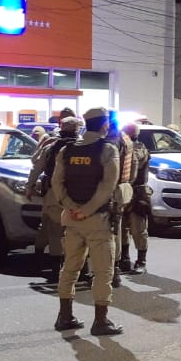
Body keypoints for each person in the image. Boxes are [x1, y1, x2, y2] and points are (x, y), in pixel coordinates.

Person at [50, 107, 123, 336]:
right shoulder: (108, 150)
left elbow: (57, 183)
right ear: (104, 125)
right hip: (97, 220)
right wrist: (87, 210)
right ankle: (101, 321)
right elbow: (107, 186)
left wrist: (71, 207)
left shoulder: (67, 150)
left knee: (70, 268)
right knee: (102, 271)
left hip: (71, 219)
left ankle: (65, 316)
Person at [28, 114, 81, 281]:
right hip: (77, 195)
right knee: (73, 231)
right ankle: (76, 268)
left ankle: (52, 268)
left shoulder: (52, 146)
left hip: (53, 195)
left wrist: (30, 187)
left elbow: (36, 165)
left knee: (52, 229)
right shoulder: (84, 147)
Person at [118, 122, 151, 275]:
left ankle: (141, 261)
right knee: (122, 227)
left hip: (137, 192)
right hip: (124, 191)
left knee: (138, 229)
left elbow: (135, 163)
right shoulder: (123, 147)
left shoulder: (139, 148)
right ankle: (124, 259)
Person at [107, 115, 136, 288]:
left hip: (109, 191)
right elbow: (133, 167)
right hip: (121, 190)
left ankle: (110, 271)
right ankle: (115, 269)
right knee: (116, 230)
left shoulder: (110, 142)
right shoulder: (127, 140)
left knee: (108, 232)